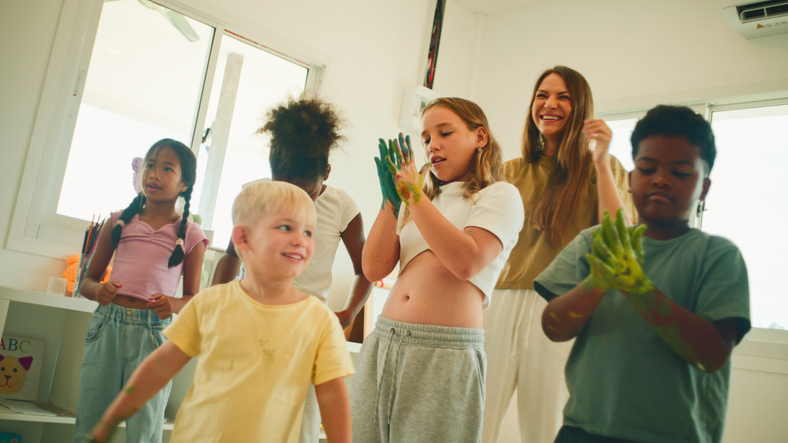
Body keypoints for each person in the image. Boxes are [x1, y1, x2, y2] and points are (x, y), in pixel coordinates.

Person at [536, 105, 751, 442]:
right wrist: (598, 282)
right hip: (583, 430)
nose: (661, 179)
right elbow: (553, 327)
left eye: (680, 172)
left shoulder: (718, 256)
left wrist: (638, 288)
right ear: (632, 177)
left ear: (704, 188)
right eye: (647, 167)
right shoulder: (595, 243)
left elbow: (712, 355)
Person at [85, 180, 355, 443]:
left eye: (308, 232)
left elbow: (333, 398)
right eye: (286, 227)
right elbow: (160, 365)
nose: (301, 240)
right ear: (243, 237)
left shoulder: (320, 322)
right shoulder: (211, 303)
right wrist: (112, 417)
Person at [352, 97, 525, 442]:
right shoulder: (421, 199)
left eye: (445, 133)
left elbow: (466, 261)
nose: (433, 145)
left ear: (480, 137)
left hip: (444, 351)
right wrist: (392, 202)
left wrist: (414, 197)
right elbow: (373, 268)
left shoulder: (500, 196)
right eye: (427, 138)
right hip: (384, 339)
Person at [483, 66, 636, 443]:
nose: (549, 104)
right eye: (542, 95)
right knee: (476, 416)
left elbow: (619, 236)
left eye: (563, 97)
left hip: (560, 305)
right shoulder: (508, 171)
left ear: (581, 108)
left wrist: (600, 159)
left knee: (546, 426)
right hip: (496, 300)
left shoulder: (604, 168)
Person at [210, 95, 372, 443]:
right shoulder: (256, 196)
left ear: (325, 173)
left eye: (303, 190)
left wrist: (348, 314)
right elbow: (230, 257)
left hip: (306, 333)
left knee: (298, 427)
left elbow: (366, 269)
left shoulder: (341, 206)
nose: (292, 199)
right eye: (283, 186)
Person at [73, 138, 208, 443]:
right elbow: (87, 281)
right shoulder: (118, 222)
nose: (154, 174)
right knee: (89, 428)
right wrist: (99, 292)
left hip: (153, 336)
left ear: (185, 183)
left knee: (144, 432)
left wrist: (172, 304)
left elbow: (192, 300)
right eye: (150, 165)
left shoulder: (191, 235)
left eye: (166, 169)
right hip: (106, 327)